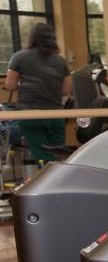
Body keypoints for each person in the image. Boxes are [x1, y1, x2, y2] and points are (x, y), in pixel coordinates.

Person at [4, 22, 72, 164]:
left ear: (32, 38)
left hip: (30, 115)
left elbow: (10, 85)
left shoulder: (19, 57)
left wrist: (24, 85)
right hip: (56, 115)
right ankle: (58, 183)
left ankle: (48, 183)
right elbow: (66, 91)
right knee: (57, 156)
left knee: (43, 158)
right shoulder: (61, 61)